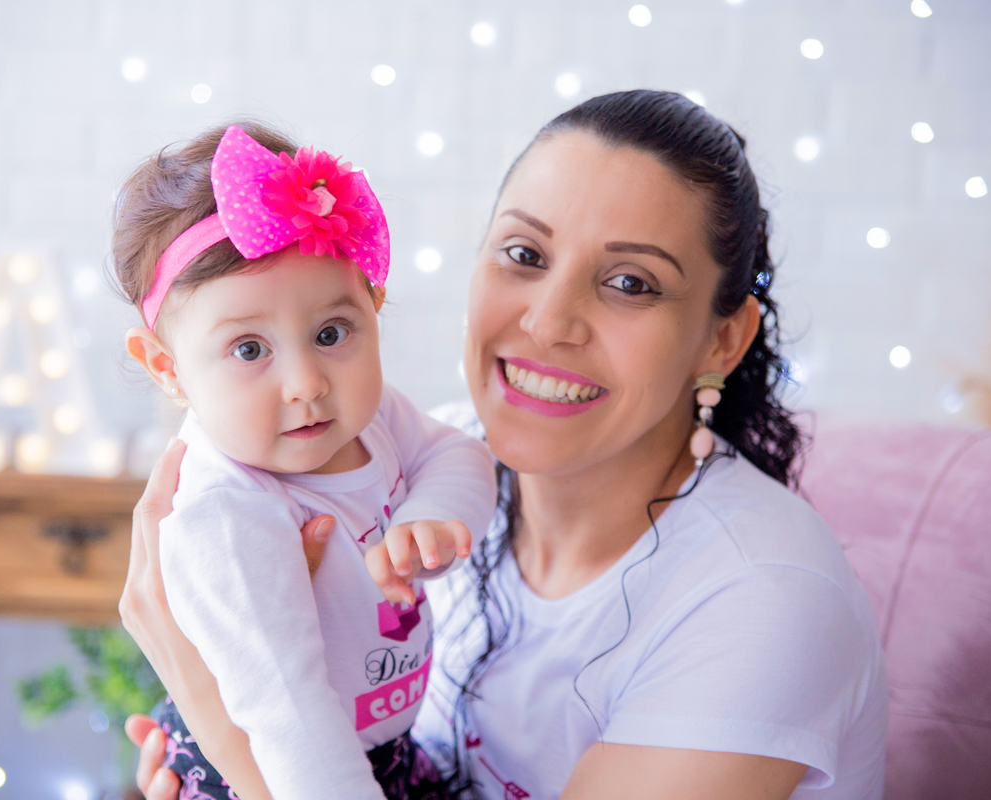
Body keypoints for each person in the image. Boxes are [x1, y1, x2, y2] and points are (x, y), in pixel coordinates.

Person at [120, 90, 888, 800]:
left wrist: (220, 727)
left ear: (723, 340)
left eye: (630, 283)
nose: (550, 322)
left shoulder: (763, 603)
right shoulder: (397, 455)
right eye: (524, 255)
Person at [113, 122, 497, 800]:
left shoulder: (370, 416)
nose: (306, 382)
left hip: (380, 751)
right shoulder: (225, 514)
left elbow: (456, 453)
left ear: (373, 308)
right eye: (250, 350)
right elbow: (288, 713)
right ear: (167, 368)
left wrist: (432, 514)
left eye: (330, 333)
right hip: (286, 771)